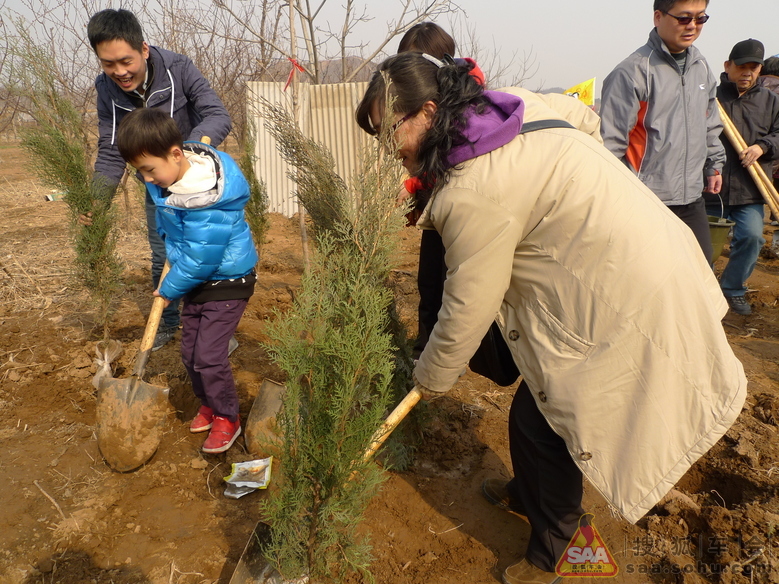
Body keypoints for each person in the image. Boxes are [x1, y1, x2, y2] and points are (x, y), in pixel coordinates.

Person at [356, 52, 746, 584]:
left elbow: (468, 305)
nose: (387, 148)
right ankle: (529, 492)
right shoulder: (507, 109)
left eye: (390, 130)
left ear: (427, 111)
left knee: (544, 421)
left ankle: (556, 553)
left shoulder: (472, 188)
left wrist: (429, 377)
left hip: (626, 295)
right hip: (648, 255)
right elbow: (584, 118)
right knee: (533, 411)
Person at [87, 9, 232, 350]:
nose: (119, 72)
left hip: (200, 184)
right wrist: (97, 199)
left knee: (206, 254)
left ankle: (215, 331)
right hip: (157, 188)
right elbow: (111, 149)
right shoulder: (106, 89)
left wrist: (189, 156)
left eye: (126, 61)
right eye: (108, 64)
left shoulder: (178, 68)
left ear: (144, 49)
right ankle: (166, 325)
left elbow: (217, 114)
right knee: (162, 255)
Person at [116, 108, 257, 454]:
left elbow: (200, 259)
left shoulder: (205, 199)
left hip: (227, 280)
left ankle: (228, 416)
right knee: (190, 351)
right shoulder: (172, 182)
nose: (147, 179)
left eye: (150, 170)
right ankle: (208, 402)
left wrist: (167, 291)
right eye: (140, 171)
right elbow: (174, 229)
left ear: (176, 154)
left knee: (209, 355)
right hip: (199, 280)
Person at [599, 0, 725, 262]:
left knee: (702, 267)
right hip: (646, 198)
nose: (692, 26)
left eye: (700, 18)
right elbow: (611, 143)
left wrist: (714, 165)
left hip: (691, 197)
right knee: (649, 272)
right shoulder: (633, 71)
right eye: (684, 18)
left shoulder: (701, 68)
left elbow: (709, 123)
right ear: (658, 17)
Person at [706, 39, 779, 316]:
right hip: (710, 188)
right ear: (728, 66)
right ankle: (702, 289)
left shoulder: (771, 101)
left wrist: (763, 146)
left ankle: (733, 288)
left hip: (751, 188)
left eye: (754, 68)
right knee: (703, 243)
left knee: (751, 237)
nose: (748, 73)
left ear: (760, 70)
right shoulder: (711, 99)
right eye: (742, 66)